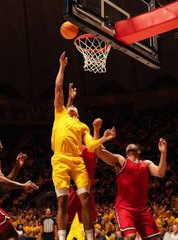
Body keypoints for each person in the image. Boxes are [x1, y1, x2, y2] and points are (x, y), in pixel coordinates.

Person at [51, 51, 116, 240]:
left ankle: (89, 237)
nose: (71, 108)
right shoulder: (60, 113)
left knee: (85, 199)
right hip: (60, 159)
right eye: (69, 106)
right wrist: (62, 67)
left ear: (77, 114)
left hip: (76, 161)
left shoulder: (82, 126)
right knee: (62, 201)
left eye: (74, 108)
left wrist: (104, 138)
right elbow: (57, 88)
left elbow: (90, 144)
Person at [94, 124, 167, 240]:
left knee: (155, 238)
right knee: (130, 236)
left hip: (142, 209)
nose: (130, 145)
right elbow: (99, 151)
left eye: (133, 146)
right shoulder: (121, 161)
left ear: (138, 151)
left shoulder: (146, 164)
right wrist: (97, 131)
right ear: (126, 152)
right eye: (128, 146)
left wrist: (163, 153)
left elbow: (160, 173)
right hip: (124, 208)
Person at [66, 83, 100, 229]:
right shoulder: (66, 127)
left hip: (87, 185)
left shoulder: (83, 129)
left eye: (75, 113)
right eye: (70, 113)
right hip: (73, 185)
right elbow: (65, 115)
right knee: (65, 220)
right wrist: (70, 99)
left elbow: (95, 147)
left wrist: (96, 129)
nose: (72, 114)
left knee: (89, 224)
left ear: (78, 116)